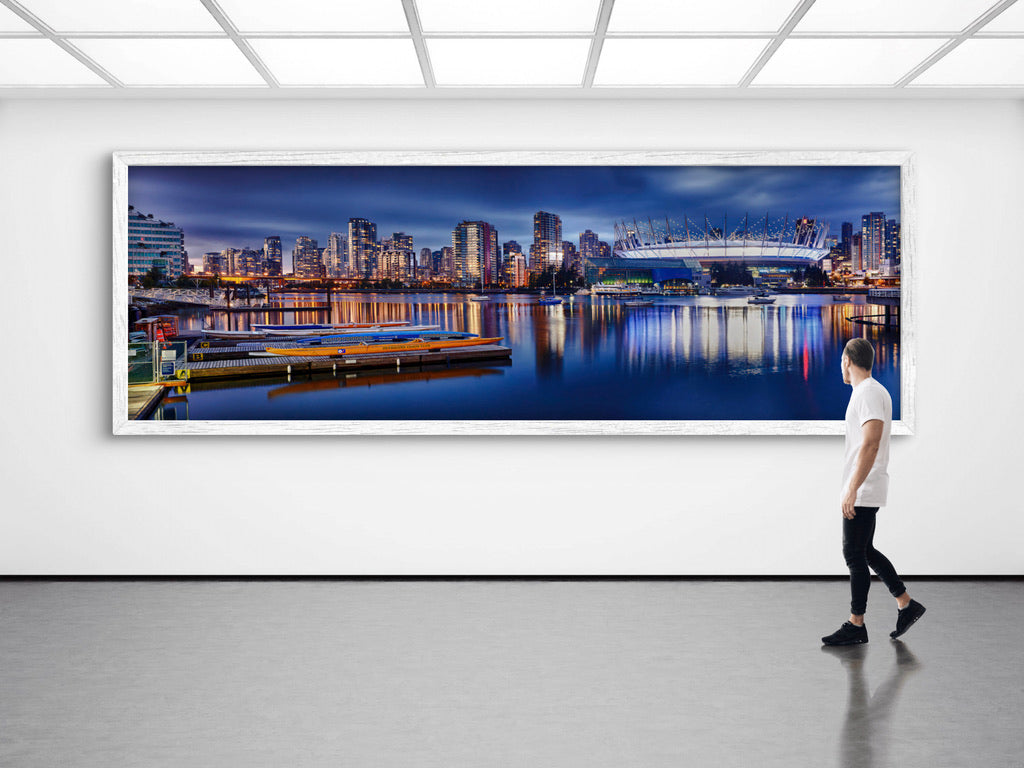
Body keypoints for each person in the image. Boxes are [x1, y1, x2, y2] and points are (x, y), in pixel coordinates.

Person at [822, 338, 925, 646]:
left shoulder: (867, 393)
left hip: (864, 487)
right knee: (865, 551)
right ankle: (906, 603)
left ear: (847, 361)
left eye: (841, 361)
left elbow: (870, 443)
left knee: (853, 553)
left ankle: (856, 624)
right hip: (866, 484)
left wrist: (852, 489)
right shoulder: (871, 391)